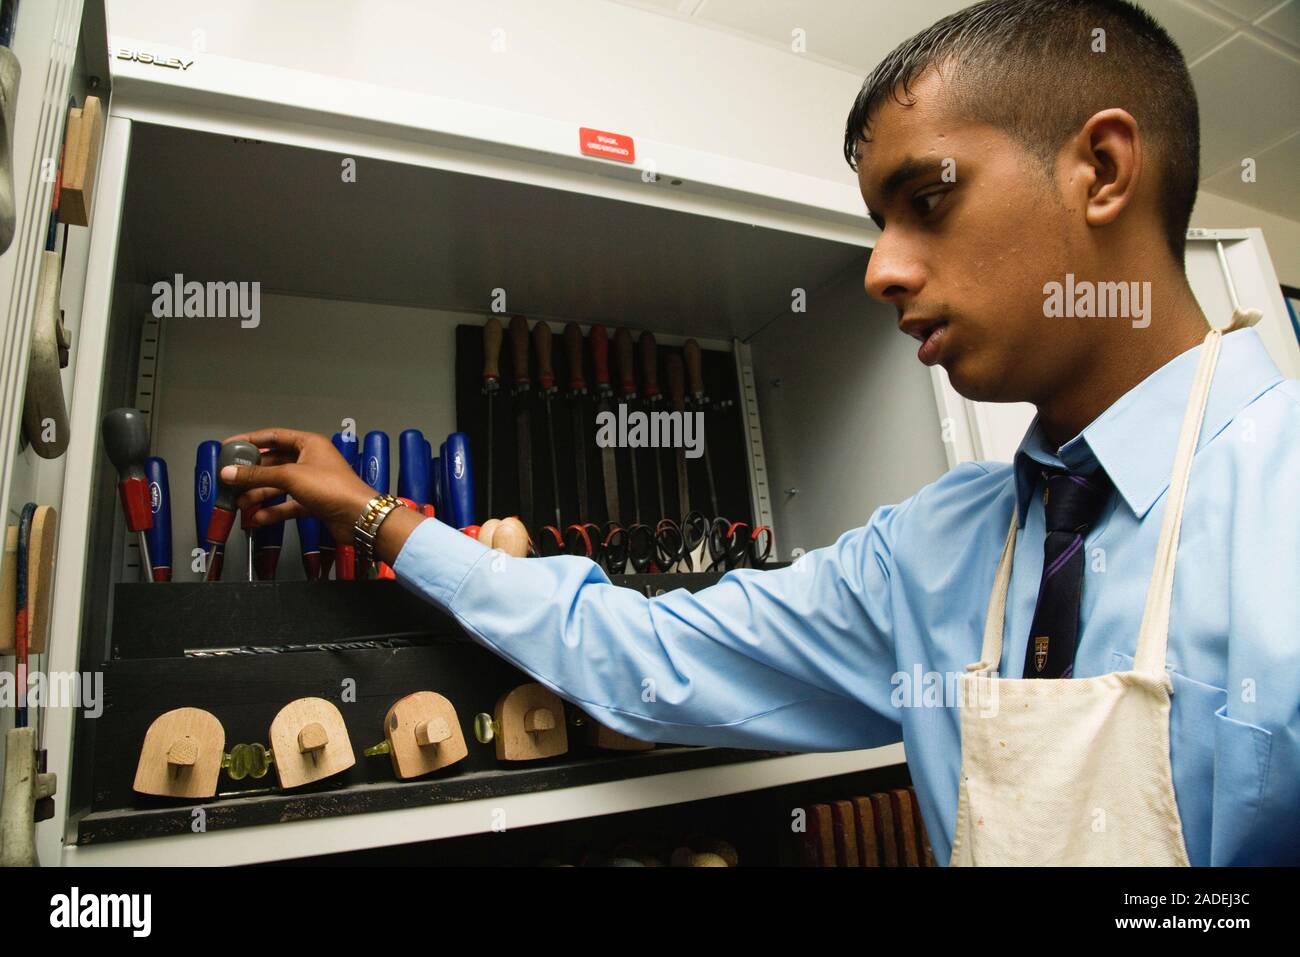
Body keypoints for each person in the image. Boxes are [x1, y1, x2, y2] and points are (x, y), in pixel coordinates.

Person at [218, 0, 1298, 865]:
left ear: (1101, 170)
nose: (880, 269)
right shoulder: (936, 552)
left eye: (926, 199)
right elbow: (644, 655)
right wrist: (370, 512)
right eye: (878, 223)